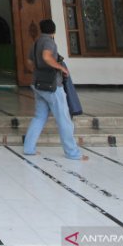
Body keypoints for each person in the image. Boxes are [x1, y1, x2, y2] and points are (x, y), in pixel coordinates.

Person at [23, 19, 87, 161]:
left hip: (37, 84)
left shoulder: (35, 43)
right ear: (54, 31)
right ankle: (72, 152)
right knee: (64, 118)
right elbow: (46, 56)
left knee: (39, 117)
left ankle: (29, 148)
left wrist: (37, 70)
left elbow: (28, 62)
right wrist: (60, 67)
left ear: (41, 29)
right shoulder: (49, 42)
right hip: (51, 86)